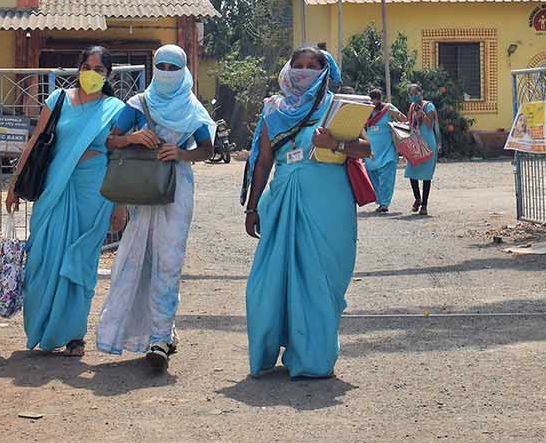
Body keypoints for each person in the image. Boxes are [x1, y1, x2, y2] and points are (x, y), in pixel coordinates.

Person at [242, 46, 370, 379]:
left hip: (330, 202)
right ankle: (270, 348)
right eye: (297, 65)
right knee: (268, 283)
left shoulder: (340, 106)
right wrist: (252, 206)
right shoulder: (273, 108)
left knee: (324, 279)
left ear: (325, 71)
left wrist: (336, 145)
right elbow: (264, 161)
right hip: (283, 196)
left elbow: (365, 148)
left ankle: (314, 358)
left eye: (312, 66)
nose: (304, 71)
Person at [96, 45, 215, 371]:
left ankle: (160, 338)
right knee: (136, 258)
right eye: (160, 65)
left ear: (184, 70)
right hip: (141, 190)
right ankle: (153, 332)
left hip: (177, 191)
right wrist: (134, 138)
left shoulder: (192, 109)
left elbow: (208, 149)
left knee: (169, 260)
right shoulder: (138, 104)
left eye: (172, 67)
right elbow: (110, 141)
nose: (165, 72)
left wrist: (181, 154)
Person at [4, 46, 127, 357]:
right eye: (88, 67)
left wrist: (119, 204)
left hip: (93, 194)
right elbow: (34, 141)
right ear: (78, 68)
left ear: (107, 75)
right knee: (42, 260)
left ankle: (74, 336)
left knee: (80, 264)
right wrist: (14, 184)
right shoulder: (58, 99)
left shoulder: (115, 108)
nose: (93, 74)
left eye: (100, 70)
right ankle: (42, 329)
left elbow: (118, 156)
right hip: (53, 190)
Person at [362, 88, 405, 212]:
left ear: (380, 99)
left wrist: (398, 116)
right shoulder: (366, 110)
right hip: (371, 149)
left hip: (387, 149)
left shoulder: (388, 108)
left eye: (376, 99)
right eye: (372, 100)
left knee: (387, 177)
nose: (374, 102)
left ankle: (385, 203)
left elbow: (402, 118)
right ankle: (380, 200)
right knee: (372, 175)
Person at [404, 82, 440, 215]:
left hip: (428, 143)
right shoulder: (412, 107)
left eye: (416, 93)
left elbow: (430, 125)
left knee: (426, 176)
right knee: (411, 172)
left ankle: (424, 205)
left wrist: (422, 115)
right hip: (415, 143)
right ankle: (417, 198)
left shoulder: (428, 106)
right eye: (411, 94)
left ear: (421, 92)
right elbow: (410, 124)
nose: (414, 96)